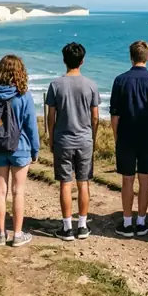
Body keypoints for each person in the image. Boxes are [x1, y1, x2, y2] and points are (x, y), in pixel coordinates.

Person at [0, 55, 40, 248]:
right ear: (20, 72)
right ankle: (17, 235)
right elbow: (31, 125)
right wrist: (35, 149)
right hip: (20, 148)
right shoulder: (24, 95)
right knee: (18, 192)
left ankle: (0, 234)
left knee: (0, 191)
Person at [110, 41, 148, 237]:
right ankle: (141, 221)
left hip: (126, 134)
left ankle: (127, 223)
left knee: (127, 180)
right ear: (147, 57)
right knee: (145, 179)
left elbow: (114, 115)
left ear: (131, 56)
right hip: (147, 136)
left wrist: (117, 136)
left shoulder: (120, 80)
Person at [46, 42, 100, 242]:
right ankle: (83, 226)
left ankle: (67, 227)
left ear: (63, 60)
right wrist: (92, 137)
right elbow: (95, 117)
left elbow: (51, 117)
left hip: (63, 139)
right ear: (82, 61)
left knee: (65, 184)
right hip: (85, 139)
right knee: (83, 182)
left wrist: (51, 138)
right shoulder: (91, 85)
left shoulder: (55, 85)